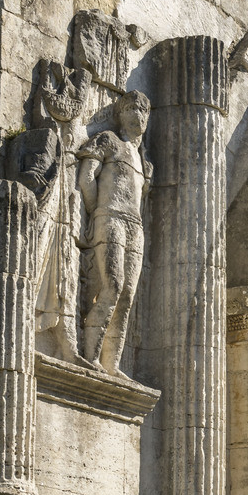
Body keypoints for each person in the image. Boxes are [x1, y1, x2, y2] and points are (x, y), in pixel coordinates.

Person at [76, 90, 151, 376]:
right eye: (131, 108)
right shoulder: (109, 141)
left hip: (136, 226)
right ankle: (90, 354)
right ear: (120, 114)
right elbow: (86, 178)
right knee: (114, 286)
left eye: (142, 110)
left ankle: (112, 363)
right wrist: (96, 213)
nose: (137, 114)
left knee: (128, 294)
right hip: (111, 217)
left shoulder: (143, 161)